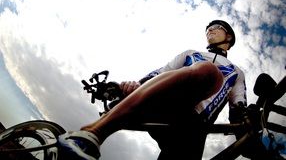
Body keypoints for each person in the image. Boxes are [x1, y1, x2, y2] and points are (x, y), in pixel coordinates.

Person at [59, 20, 247, 160]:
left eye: (216, 28)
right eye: (208, 29)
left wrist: (247, 122)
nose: (210, 31)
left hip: (195, 128)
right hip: (168, 104)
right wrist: (132, 86)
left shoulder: (237, 72)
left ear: (228, 37)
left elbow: (238, 107)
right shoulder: (191, 54)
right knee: (207, 71)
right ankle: (91, 133)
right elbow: (160, 74)